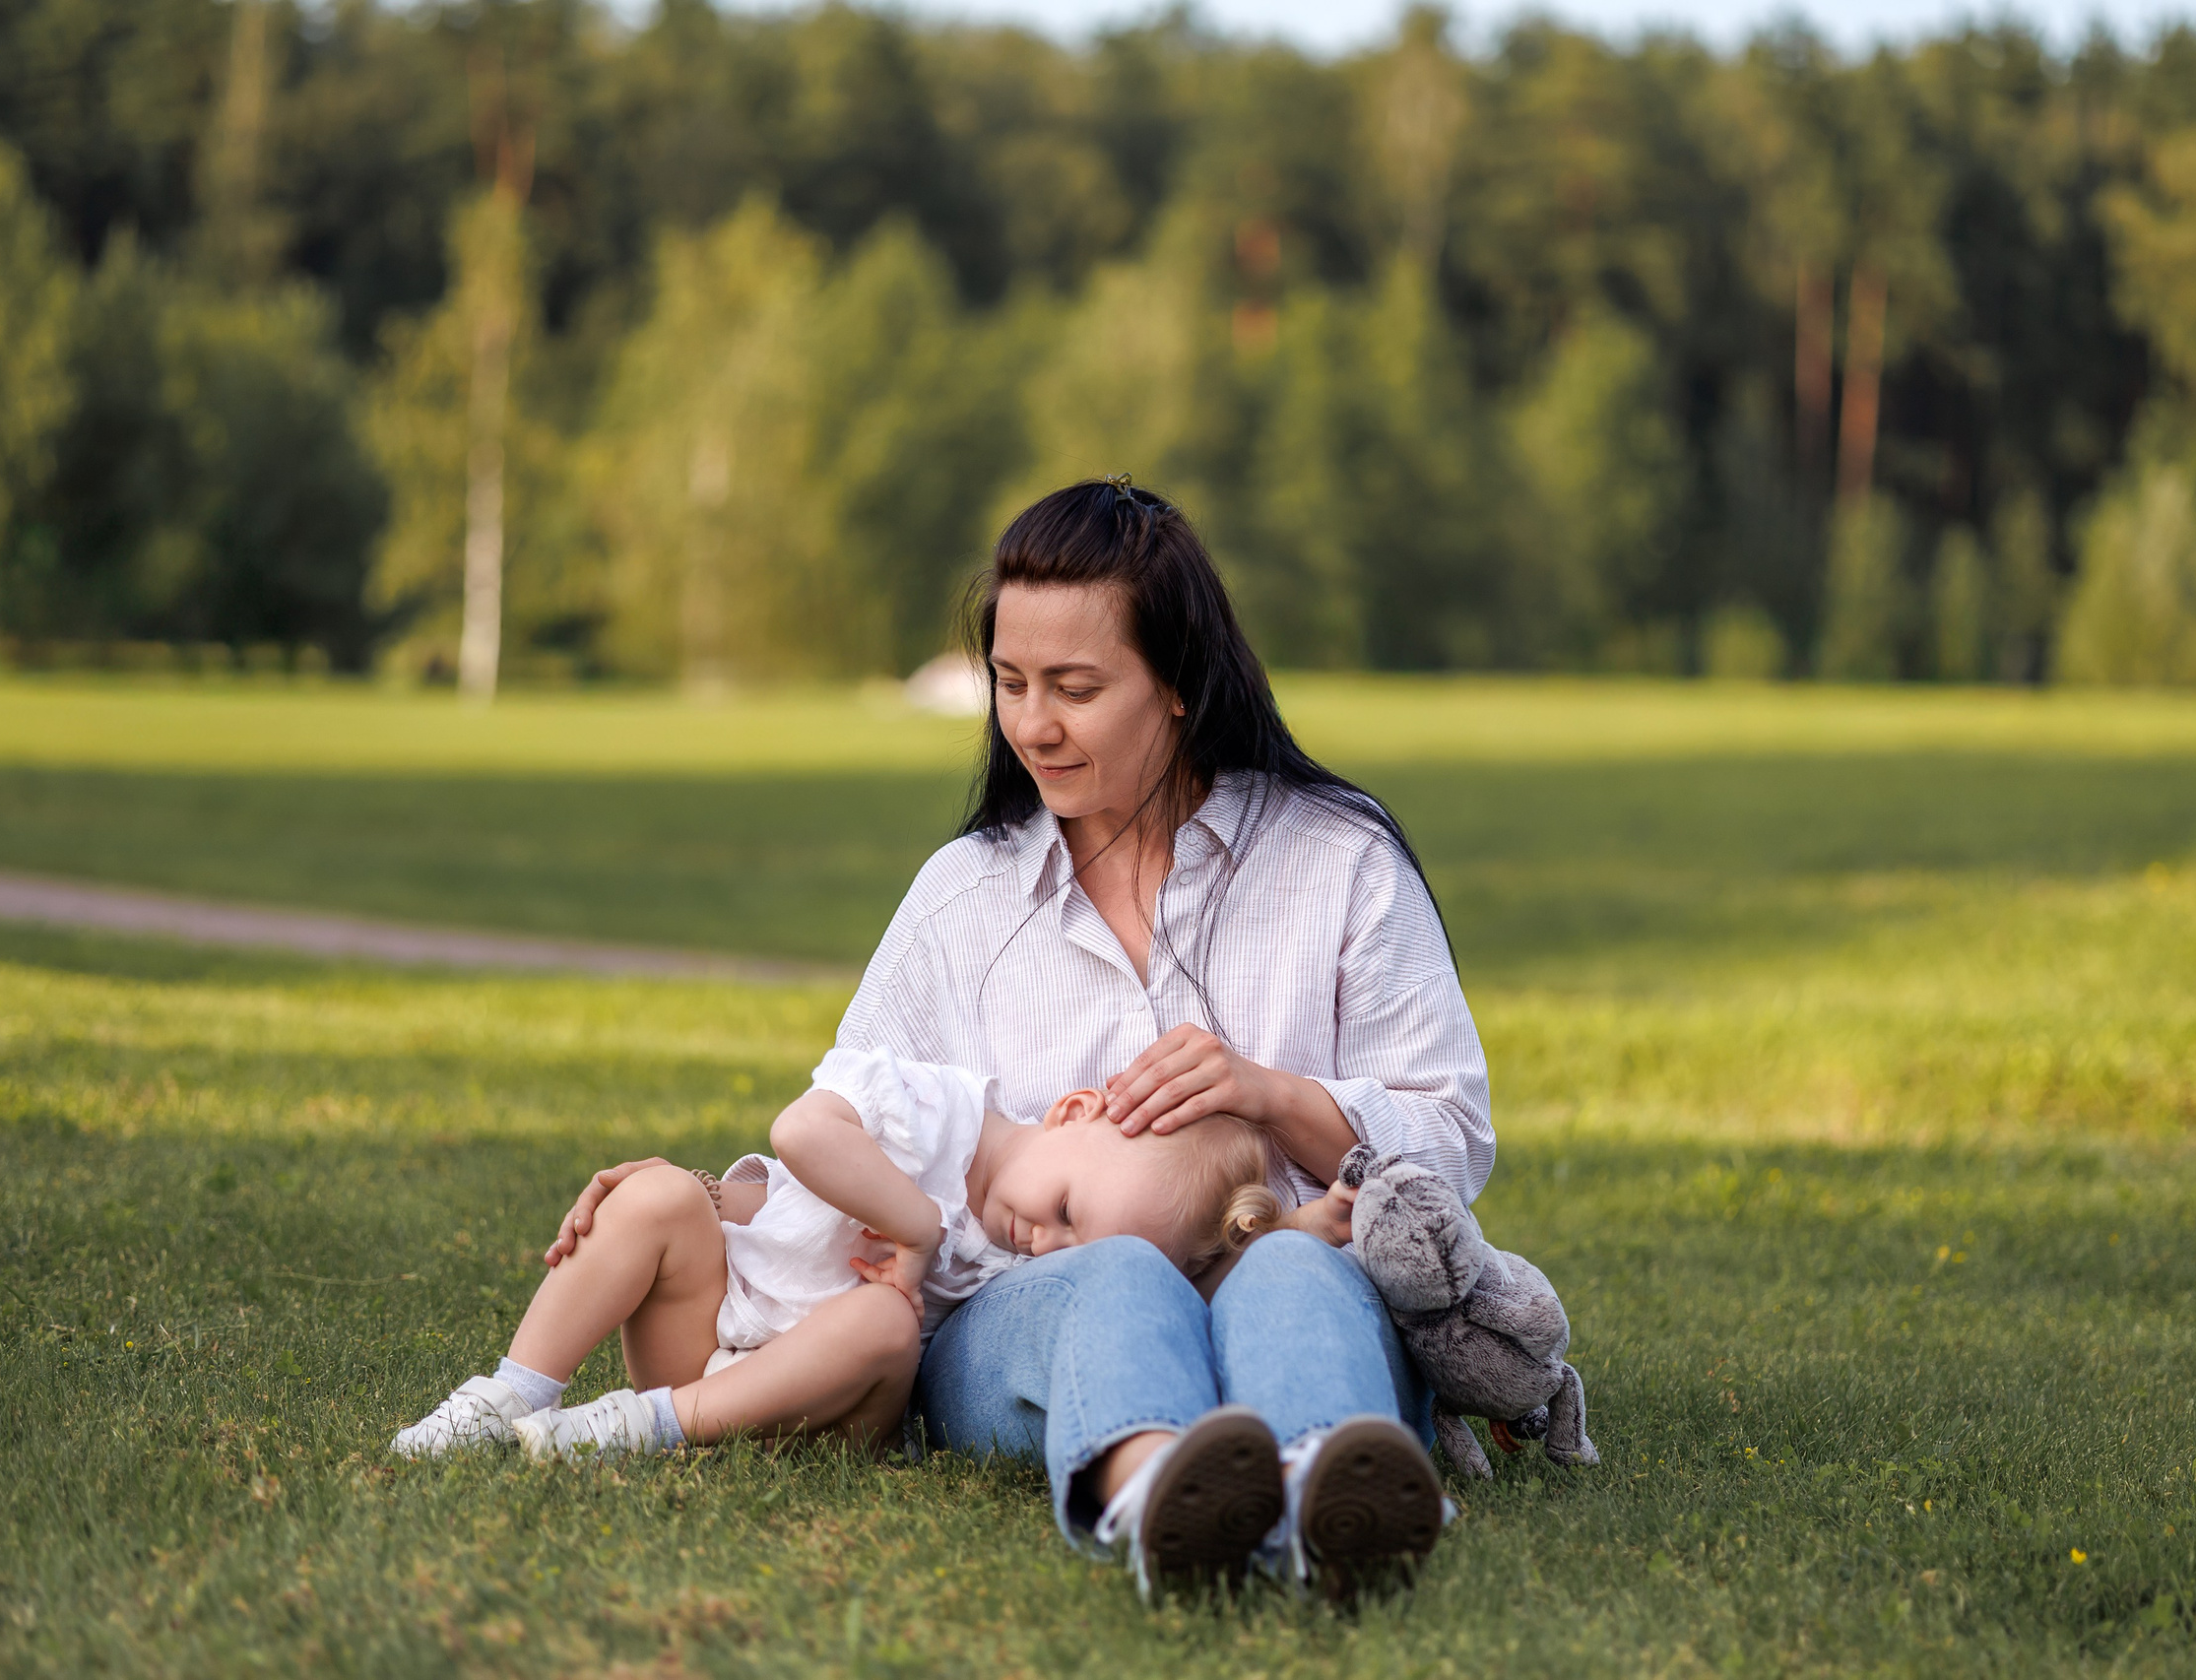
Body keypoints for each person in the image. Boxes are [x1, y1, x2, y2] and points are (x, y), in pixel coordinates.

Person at [549, 478, 1494, 1600]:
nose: (1032, 723)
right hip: (1022, 1320)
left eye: (1076, 687)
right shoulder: (965, 896)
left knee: (1292, 1262)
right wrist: (702, 1196)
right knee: (1119, 1272)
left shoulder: (1336, 859)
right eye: (1010, 682)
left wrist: (1272, 1094)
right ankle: (1159, 1496)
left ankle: (1328, 1492)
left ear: (1181, 681)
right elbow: (865, 1122)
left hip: (1293, 1269)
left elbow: (1453, 1139)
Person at [391, 1046, 1295, 1463]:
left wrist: (1294, 1230)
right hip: (708, 1336)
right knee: (660, 1193)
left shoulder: (1024, 1261)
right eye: (1065, 1210)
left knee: (882, 1320)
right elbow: (800, 1134)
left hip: (825, 1409)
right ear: (1070, 1112)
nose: (1044, 1243)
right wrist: (915, 1226)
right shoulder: (934, 1110)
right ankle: (510, 1391)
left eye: (1073, 1247)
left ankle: (638, 1426)